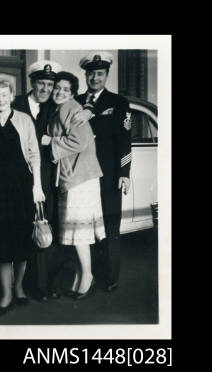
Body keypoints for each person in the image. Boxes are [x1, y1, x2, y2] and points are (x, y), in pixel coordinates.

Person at [13, 60, 93, 301]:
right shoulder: (15, 103)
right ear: (32, 83)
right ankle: (23, 285)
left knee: (49, 229)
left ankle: (48, 285)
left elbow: (77, 108)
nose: (46, 89)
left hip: (48, 176)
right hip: (18, 176)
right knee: (21, 228)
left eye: (50, 84)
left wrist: (89, 108)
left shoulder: (56, 105)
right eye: (42, 83)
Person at [0, 78, 45, 316]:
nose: (0, 99)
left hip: (21, 186)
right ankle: (6, 294)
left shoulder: (25, 120)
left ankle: (19, 288)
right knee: (2, 241)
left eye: (5, 95)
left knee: (20, 238)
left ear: (12, 95)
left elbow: (35, 155)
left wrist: (37, 186)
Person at [41, 71, 105, 300]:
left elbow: (80, 141)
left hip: (81, 178)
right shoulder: (62, 108)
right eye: (57, 88)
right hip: (74, 177)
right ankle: (81, 275)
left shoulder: (71, 108)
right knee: (78, 233)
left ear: (72, 93)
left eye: (65, 89)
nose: (59, 92)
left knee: (80, 234)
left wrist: (51, 142)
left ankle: (87, 276)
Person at [77, 52, 132, 292]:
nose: (94, 78)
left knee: (109, 224)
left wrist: (124, 172)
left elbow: (124, 140)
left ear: (106, 75)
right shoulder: (76, 101)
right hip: (82, 175)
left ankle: (110, 277)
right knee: (87, 225)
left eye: (99, 73)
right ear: (85, 75)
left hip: (108, 175)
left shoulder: (118, 102)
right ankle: (90, 273)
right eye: (91, 73)